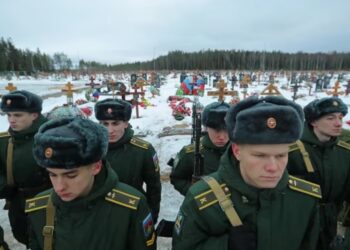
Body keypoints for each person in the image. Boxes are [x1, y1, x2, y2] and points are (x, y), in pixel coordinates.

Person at [172, 96, 321, 250]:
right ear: (237, 151)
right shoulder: (201, 200)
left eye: (281, 155)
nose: (272, 167)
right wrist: (224, 246)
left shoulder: (305, 199)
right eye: (260, 155)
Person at [25, 117, 156, 250]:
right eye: (52, 174)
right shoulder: (39, 208)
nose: (59, 187)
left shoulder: (129, 208)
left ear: (96, 167)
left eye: (71, 175)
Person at [287, 96, 350, 249]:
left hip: (330, 224)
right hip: (297, 224)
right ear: (313, 121)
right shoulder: (291, 152)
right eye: (330, 118)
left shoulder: (345, 153)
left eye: (340, 118)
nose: (338, 123)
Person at [94, 98, 161, 223]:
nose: (110, 130)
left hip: (131, 214)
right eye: (105, 124)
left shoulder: (143, 150)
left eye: (115, 123)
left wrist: (151, 216)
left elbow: (154, 188)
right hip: (97, 216)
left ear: (126, 123)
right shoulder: (91, 149)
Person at [0, 90, 50, 248]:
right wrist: (4, 186)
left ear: (34, 115)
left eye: (18, 115)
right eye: (9, 115)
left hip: (47, 204)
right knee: (25, 237)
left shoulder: (51, 138)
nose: (12, 120)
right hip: (18, 204)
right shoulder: (4, 141)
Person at [170, 101, 230, 196]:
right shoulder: (190, 153)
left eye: (226, 130)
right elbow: (177, 178)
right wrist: (194, 193)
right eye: (216, 130)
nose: (222, 137)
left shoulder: (240, 151)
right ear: (206, 128)